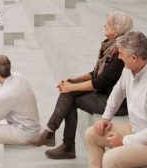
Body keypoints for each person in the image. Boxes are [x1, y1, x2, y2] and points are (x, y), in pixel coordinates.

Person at [28, 11, 133, 159]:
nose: (104, 25)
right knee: (69, 94)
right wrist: (73, 80)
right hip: (105, 94)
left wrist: (71, 87)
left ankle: (56, 138)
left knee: (69, 94)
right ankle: (56, 139)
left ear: (116, 31)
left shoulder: (119, 53)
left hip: (118, 103)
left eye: (108, 24)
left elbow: (100, 81)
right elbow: (96, 73)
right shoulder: (110, 47)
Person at [85, 31, 147, 168]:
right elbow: (118, 91)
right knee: (91, 134)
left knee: (111, 159)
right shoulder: (130, 69)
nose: (119, 57)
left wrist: (124, 141)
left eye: (121, 54)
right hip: (139, 131)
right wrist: (106, 117)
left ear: (134, 57)